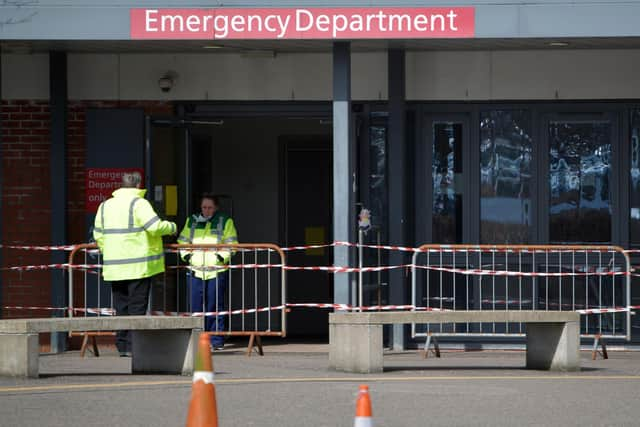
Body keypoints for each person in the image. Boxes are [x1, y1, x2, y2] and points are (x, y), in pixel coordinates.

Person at [93, 172, 177, 357]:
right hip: (138, 266)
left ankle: (122, 345)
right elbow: (154, 227)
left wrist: (111, 252)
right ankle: (133, 346)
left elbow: (98, 235)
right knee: (137, 307)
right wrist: (172, 226)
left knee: (121, 307)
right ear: (138, 185)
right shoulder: (139, 203)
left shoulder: (105, 205)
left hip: (114, 267)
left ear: (121, 186)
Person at [178, 193, 238, 351]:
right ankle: (197, 340)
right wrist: (187, 255)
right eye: (204, 207)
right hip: (195, 269)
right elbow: (182, 241)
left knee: (215, 306)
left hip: (216, 269)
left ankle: (216, 340)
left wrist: (221, 257)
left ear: (216, 207)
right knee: (196, 307)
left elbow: (232, 244)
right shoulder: (191, 220)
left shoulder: (225, 221)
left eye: (210, 207)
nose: (206, 210)